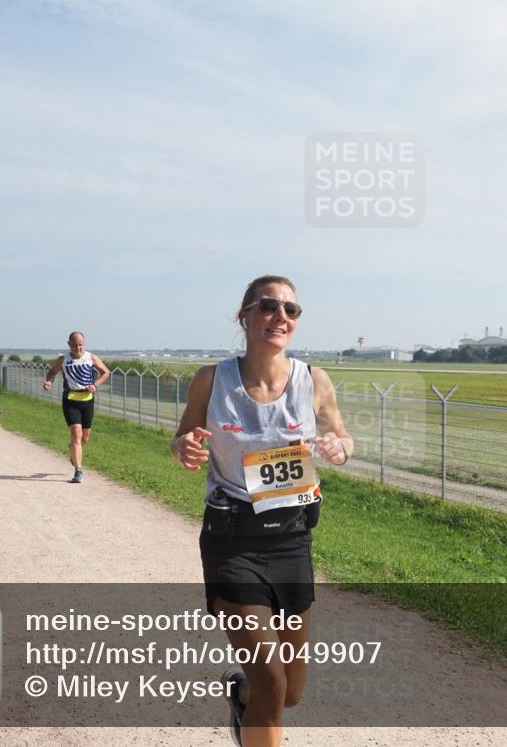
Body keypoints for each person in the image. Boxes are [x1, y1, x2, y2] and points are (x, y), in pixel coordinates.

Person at [171, 275, 353, 747]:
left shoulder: (314, 380)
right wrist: (185, 448)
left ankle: (240, 695)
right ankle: (254, 697)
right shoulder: (213, 380)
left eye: (291, 310)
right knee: (272, 683)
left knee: (288, 692)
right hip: (232, 540)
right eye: (269, 306)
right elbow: (182, 436)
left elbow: (342, 437)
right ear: (245, 315)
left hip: (292, 539)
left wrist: (338, 448)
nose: (281, 317)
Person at [43, 332, 110, 483]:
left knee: (84, 438)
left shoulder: (90, 357)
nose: (78, 348)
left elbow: (106, 372)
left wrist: (95, 385)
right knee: (76, 433)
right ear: (69, 345)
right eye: (75, 345)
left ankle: (73, 449)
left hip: (87, 400)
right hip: (70, 399)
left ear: (84, 344)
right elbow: (52, 372)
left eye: (80, 345)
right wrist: (49, 381)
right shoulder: (63, 359)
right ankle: (78, 471)